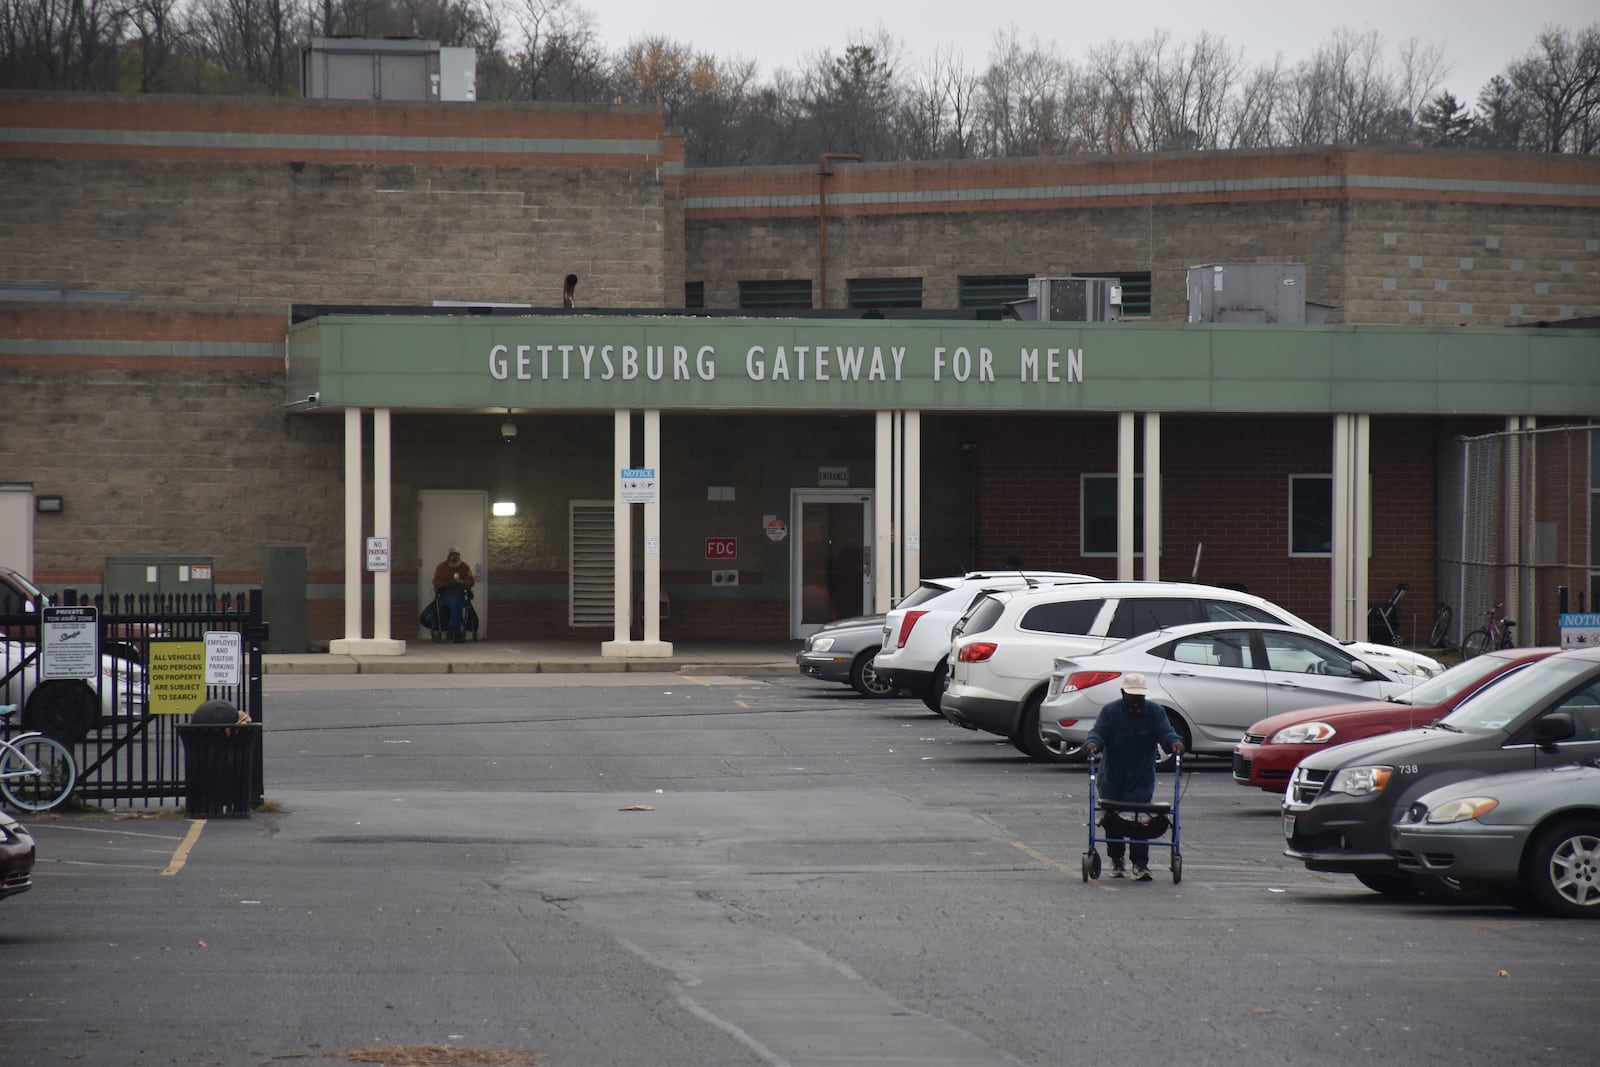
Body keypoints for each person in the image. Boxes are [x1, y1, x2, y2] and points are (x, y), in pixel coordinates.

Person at [1083, 673, 1184, 881]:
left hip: (1140, 777)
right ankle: (1117, 859)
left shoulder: (1155, 712)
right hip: (1113, 776)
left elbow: (1166, 732)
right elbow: (1098, 732)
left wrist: (1174, 743)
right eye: (1132, 695)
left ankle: (1140, 864)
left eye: (1140, 695)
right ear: (1123, 693)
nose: (1137, 700)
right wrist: (1092, 743)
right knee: (1113, 819)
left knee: (1139, 819)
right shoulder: (1111, 712)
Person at [431, 546, 476, 643]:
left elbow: (471, 581)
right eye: (453, 554)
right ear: (449, 555)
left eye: (457, 555)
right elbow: (436, 582)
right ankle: (457, 632)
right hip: (445, 595)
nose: (455, 557)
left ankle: (452, 628)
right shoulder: (441, 567)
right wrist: (446, 584)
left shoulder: (465, 566)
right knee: (458, 604)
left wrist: (463, 582)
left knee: (457, 602)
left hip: (460, 593)